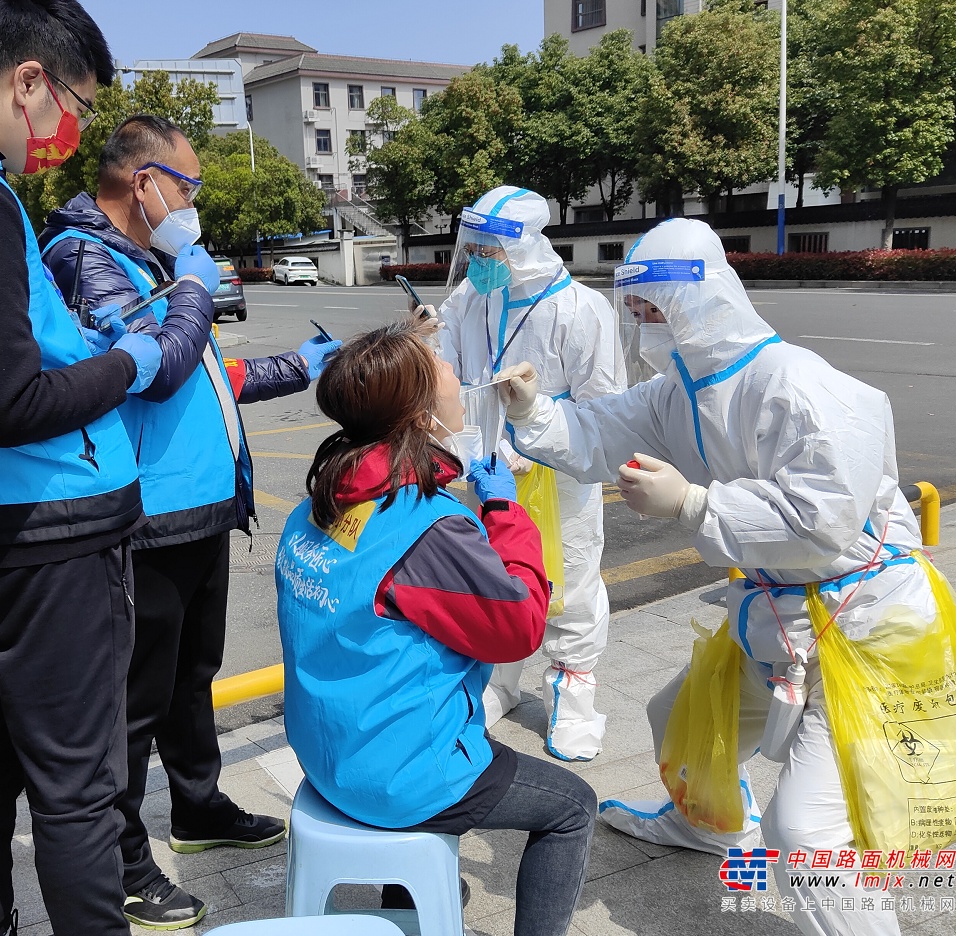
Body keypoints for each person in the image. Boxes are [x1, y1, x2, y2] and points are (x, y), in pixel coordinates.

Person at [494, 216, 956, 936]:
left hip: (870, 624)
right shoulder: (678, 390)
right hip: (782, 614)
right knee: (675, 723)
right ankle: (712, 828)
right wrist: (535, 411)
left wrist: (694, 502)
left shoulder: (800, 386)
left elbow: (823, 521)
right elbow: (595, 433)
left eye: (656, 309)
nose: (644, 325)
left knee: (804, 832)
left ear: (703, 300)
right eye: (638, 311)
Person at [40, 114, 338, 930]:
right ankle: (126, 862)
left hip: (200, 510)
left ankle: (200, 809)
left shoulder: (148, 255)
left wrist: (299, 369)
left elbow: (208, 370)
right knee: (133, 703)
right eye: (190, 187)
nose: (194, 205)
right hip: (145, 516)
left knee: (189, 677)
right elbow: (159, 368)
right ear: (145, 181)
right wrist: (199, 289)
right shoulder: (82, 256)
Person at [276, 320, 597, 936]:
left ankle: (427, 891)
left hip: (325, 755)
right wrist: (503, 512)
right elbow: (520, 626)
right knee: (572, 807)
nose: (456, 376)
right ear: (421, 415)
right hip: (397, 774)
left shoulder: (320, 501)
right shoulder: (425, 527)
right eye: (443, 369)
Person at [0, 3, 163, 934]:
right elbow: (14, 401)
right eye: (73, 104)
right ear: (30, 81)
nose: (70, 131)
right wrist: (125, 364)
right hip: (53, 535)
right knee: (76, 790)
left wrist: (79, 342)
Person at [434, 185, 627, 762]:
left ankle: (574, 690)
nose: (481, 260)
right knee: (490, 568)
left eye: (492, 249)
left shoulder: (579, 309)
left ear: (523, 246)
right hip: (486, 464)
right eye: (477, 247)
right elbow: (448, 367)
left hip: (559, 470)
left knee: (568, 574)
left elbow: (605, 409)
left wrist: (540, 434)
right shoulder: (471, 297)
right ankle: (500, 677)